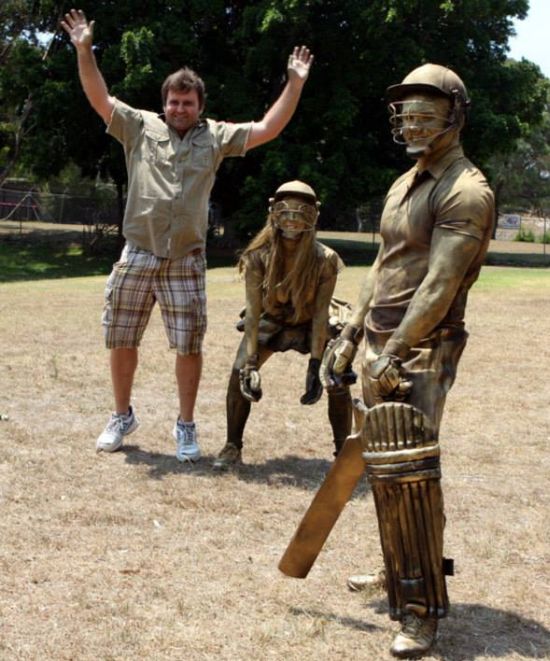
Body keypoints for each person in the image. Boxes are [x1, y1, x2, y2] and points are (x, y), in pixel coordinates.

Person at [60, 9, 314, 462]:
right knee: (121, 337)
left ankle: (186, 425)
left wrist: (294, 84)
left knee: (188, 346)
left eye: (188, 102)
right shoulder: (140, 127)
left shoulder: (214, 137)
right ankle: (121, 415)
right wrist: (84, 50)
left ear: (200, 105)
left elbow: (267, 128)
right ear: (165, 103)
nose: (180, 108)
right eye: (174, 102)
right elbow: (99, 96)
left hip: (186, 259)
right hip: (138, 253)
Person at [323, 63, 495, 658]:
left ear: (456, 116)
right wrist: (351, 337)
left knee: (411, 477)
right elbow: (384, 264)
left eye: (427, 113)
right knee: (384, 472)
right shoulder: (404, 183)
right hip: (379, 344)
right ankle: (397, 568)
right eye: (408, 114)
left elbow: (439, 285)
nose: (414, 123)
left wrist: (394, 350)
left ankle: (420, 612)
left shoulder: (466, 191)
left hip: (422, 348)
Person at [213, 180, 353, 470]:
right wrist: (250, 363)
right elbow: (253, 312)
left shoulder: (326, 259)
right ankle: (232, 445)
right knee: (238, 373)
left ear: (313, 216)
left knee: (337, 376)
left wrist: (316, 365)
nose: (292, 219)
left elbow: (321, 314)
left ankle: (344, 453)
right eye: (285, 211)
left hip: (312, 323)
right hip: (272, 320)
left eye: (301, 212)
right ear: (273, 212)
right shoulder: (258, 256)